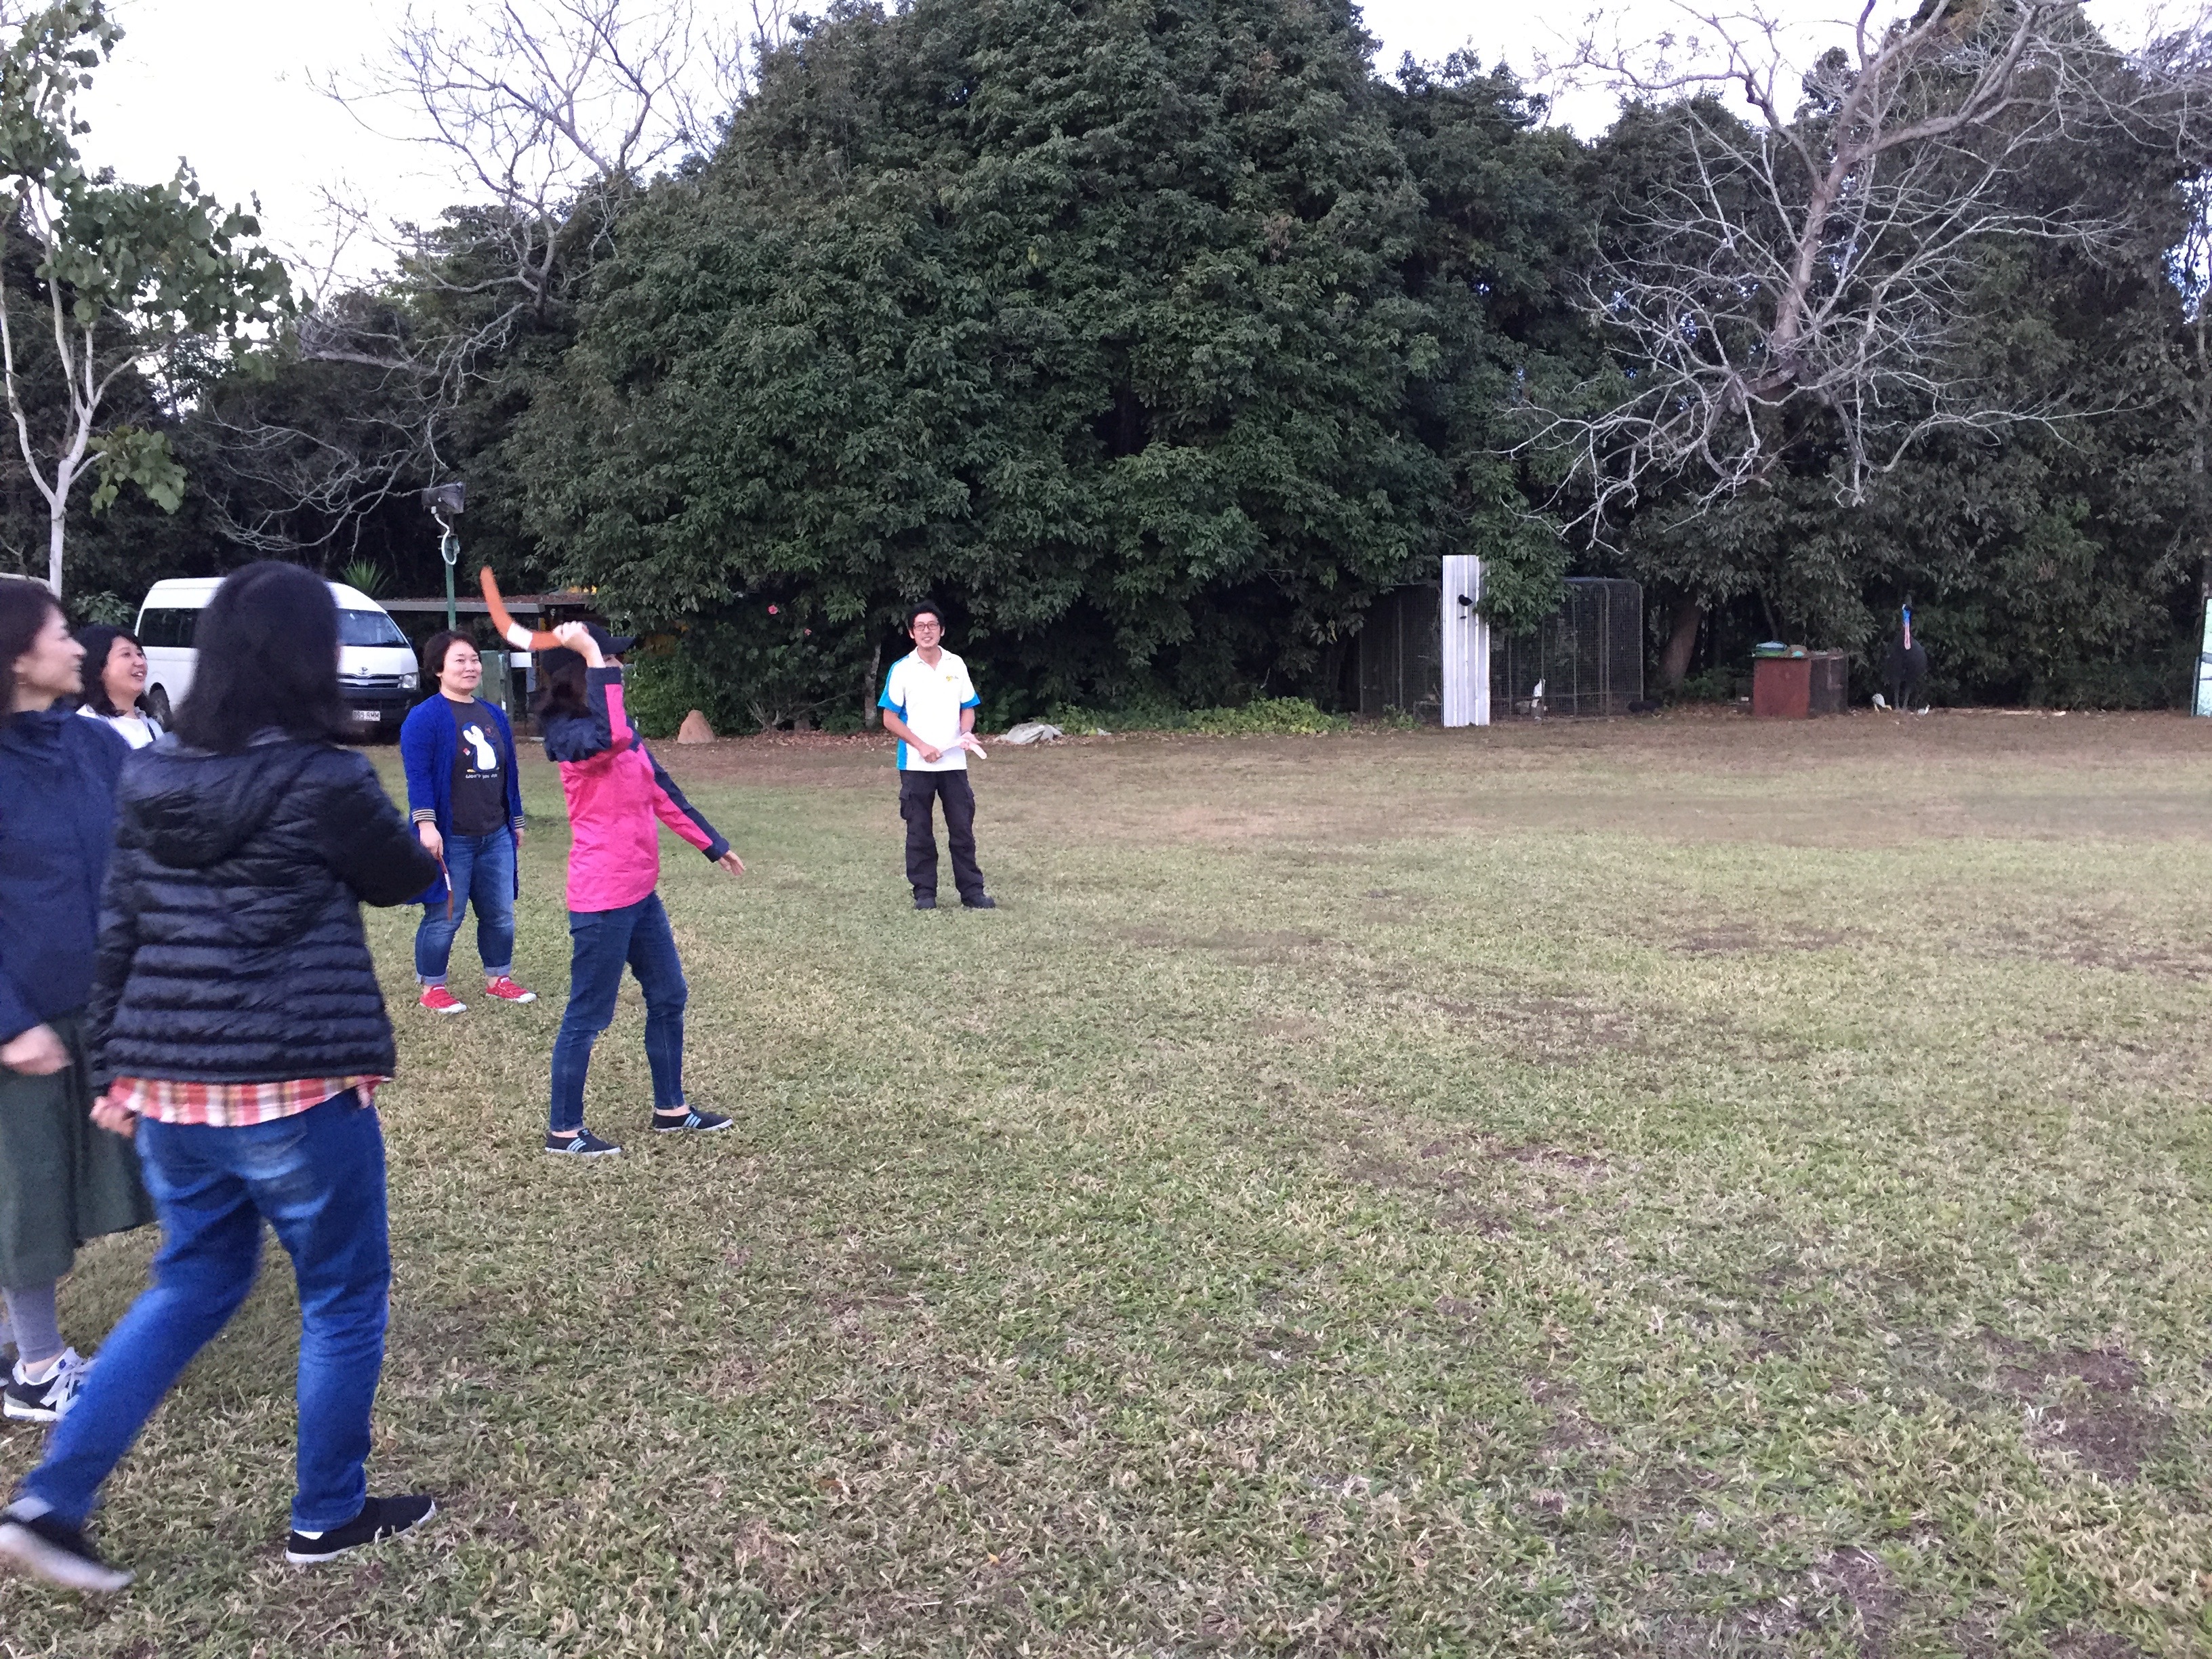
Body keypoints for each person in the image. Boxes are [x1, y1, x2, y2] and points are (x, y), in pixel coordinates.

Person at [0, 562, 443, 1593]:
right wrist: (424, 847)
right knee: (343, 1295)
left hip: (171, 1097)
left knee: (194, 1280)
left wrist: (114, 1063)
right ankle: (327, 1515)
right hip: (292, 1092)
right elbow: (400, 880)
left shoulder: (147, 770)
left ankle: (52, 1501)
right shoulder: (324, 778)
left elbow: (121, 926)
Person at [0, 586, 152, 1431]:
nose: (79, 646)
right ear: (18, 656)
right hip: (22, 1016)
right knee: (27, 1191)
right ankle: (36, 1369)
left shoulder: (94, 743)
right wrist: (8, 1020)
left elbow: (165, 827)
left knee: (78, 1176)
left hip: (102, 1001)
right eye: (62, 632)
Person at [538, 621, 743, 1158]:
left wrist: (712, 844)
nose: (621, 666)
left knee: (670, 994)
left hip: (639, 892)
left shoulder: (620, 725)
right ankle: (564, 1131)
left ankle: (671, 1110)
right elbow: (607, 738)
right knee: (588, 1014)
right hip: (601, 898)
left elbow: (661, 791)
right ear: (583, 670)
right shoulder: (569, 734)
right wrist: (588, 651)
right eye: (609, 659)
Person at [398, 630, 533, 1014]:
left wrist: (516, 821)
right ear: (438, 669)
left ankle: (499, 979)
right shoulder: (424, 719)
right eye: (460, 660)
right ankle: (432, 987)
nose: (471, 666)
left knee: (500, 913)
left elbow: (510, 773)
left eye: (474, 659)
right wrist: (427, 825)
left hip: (495, 834)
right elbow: (418, 778)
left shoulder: (493, 715)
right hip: (451, 837)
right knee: (445, 915)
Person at [877, 602, 995, 912]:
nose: (926, 631)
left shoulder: (956, 665)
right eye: (920, 626)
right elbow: (889, 718)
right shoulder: (902, 669)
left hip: (954, 764)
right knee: (919, 831)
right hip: (916, 765)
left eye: (932, 625)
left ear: (941, 630)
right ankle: (925, 894)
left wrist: (966, 732)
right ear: (911, 633)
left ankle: (972, 892)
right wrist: (920, 746)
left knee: (962, 829)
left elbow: (967, 707)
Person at [71, 625, 162, 749]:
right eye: (126, 654)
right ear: (98, 668)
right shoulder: (84, 729)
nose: (140, 662)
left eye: (140, 654)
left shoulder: (153, 727)